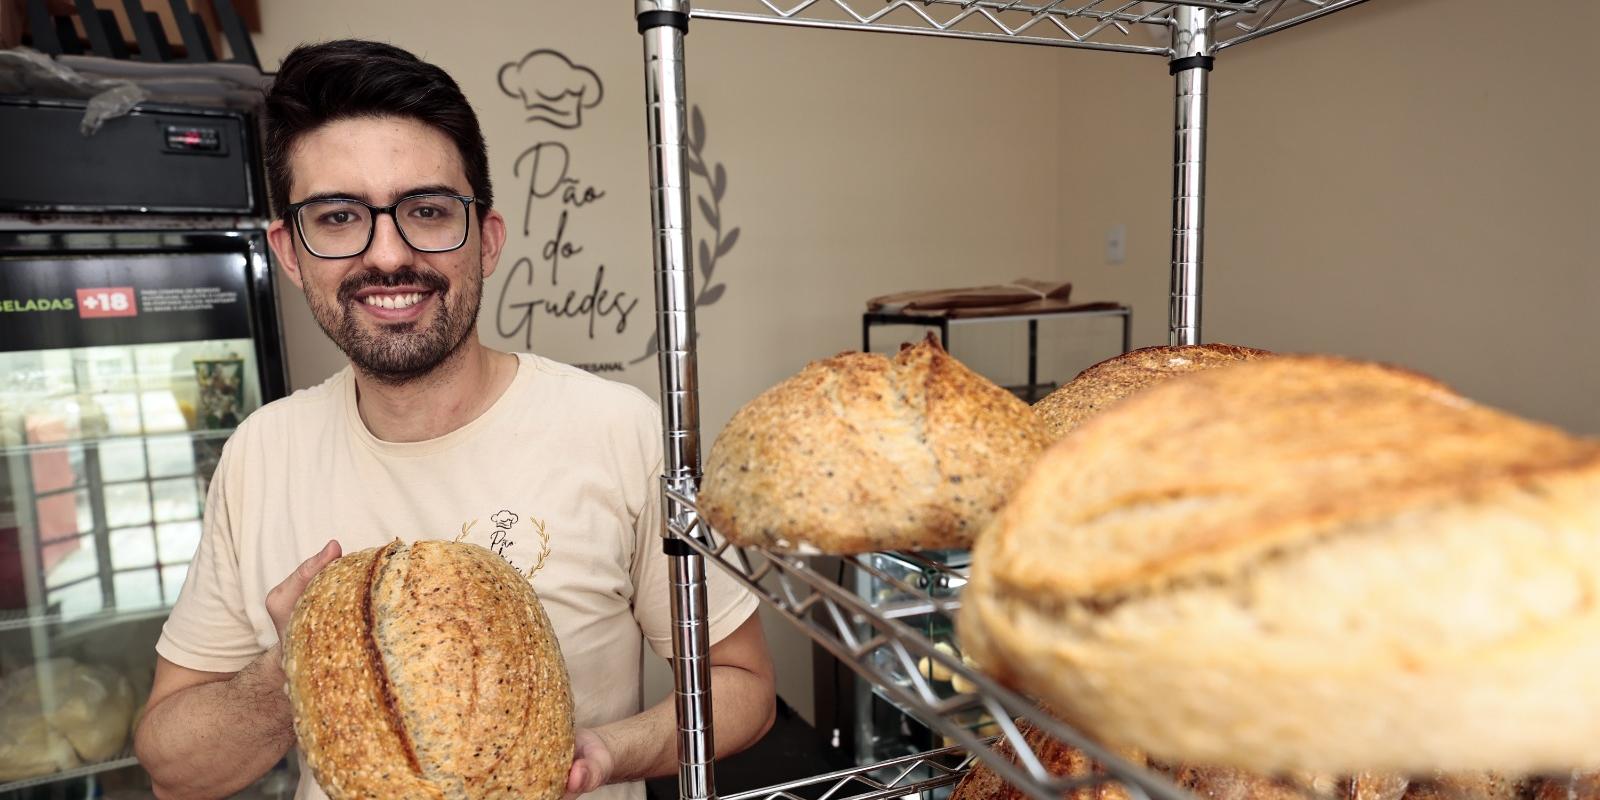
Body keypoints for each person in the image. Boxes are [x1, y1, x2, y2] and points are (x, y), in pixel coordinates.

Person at [131, 39, 775, 800]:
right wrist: (293, 665)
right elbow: (174, 769)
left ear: (487, 239)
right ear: (290, 252)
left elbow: (743, 688)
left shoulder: (618, 431)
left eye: (428, 210)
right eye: (338, 217)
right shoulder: (259, 454)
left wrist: (601, 752)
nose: (389, 254)